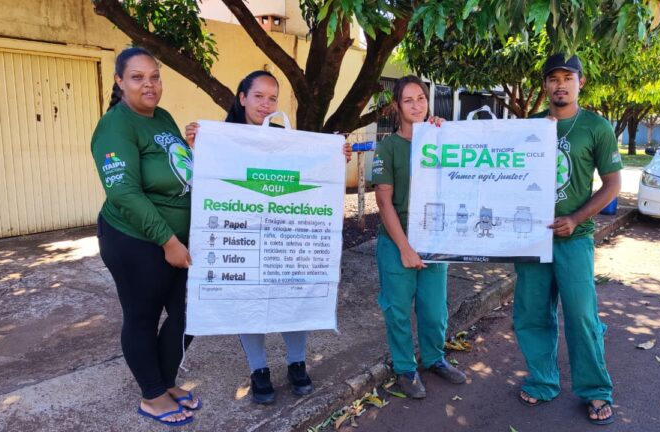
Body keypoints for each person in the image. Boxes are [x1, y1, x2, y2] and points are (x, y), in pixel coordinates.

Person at [185, 70, 351, 405]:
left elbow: (313, 171)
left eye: (272, 98)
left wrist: (336, 155)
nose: (266, 104)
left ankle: (297, 363)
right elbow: (203, 179)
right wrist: (195, 144)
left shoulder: (286, 141)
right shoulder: (221, 138)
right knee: (247, 298)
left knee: (293, 291)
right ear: (242, 97)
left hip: (284, 237)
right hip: (240, 234)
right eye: (258, 96)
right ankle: (258, 369)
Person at [91, 47, 200, 427]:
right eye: (137, 77)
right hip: (134, 240)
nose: (149, 84)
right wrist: (168, 241)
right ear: (120, 82)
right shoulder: (115, 125)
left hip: (177, 239)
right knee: (143, 316)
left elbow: (175, 170)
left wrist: (195, 146)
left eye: (154, 76)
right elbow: (124, 193)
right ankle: (152, 395)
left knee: (190, 313)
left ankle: (166, 382)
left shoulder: (163, 117)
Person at [513, 53, 622, 425]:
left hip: (574, 240)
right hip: (531, 238)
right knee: (531, 314)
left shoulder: (595, 127)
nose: (560, 85)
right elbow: (486, 153)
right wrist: (439, 129)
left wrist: (576, 219)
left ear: (580, 82)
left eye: (567, 78)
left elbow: (612, 185)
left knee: (582, 316)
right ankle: (543, 381)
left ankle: (595, 389)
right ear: (545, 85)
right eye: (553, 78)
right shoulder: (528, 127)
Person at [371, 75, 467, 399]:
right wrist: (405, 248)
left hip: (434, 240)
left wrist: (447, 135)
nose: (416, 106)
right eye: (408, 100)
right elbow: (384, 202)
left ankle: (435, 358)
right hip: (397, 240)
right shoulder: (388, 147)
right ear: (397, 106)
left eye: (421, 99)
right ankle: (405, 369)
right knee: (397, 309)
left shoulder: (441, 140)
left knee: (434, 309)